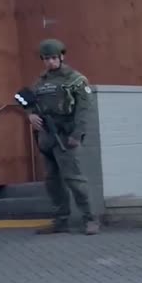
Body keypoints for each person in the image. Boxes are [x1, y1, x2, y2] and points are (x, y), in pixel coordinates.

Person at [26, 39, 98, 235]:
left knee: (75, 179)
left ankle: (90, 219)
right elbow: (31, 103)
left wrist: (77, 133)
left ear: (61, 57)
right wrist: (31, 115)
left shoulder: (75, 79)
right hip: (47, 137)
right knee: (52, 181)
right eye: (46, 58)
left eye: (54, 58)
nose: (50, 62)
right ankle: (61, 220)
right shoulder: (40, 82)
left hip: (65, 136)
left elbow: (84, 109)